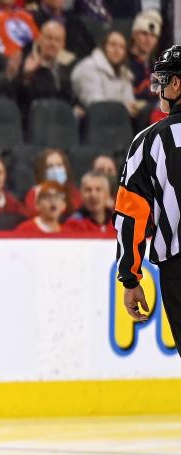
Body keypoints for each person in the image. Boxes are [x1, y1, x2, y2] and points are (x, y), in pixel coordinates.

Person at [115, 45, 181, 351]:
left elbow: (132, 213)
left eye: (163, 80)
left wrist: (130, 277)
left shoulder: (149, 141)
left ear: (177, 84)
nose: (159, 88)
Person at [71, 31, 141, 115]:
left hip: (118, 122)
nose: (117, 50)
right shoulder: (88, 67)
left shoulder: (125, 73)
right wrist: (125, 108)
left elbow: (131, 105)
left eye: (122, 47)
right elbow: (97, 106)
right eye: (112, 45)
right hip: (92, 123)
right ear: (103, 47)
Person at [15, 21, 74, 111]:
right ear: (39, 39)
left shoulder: (67, 68)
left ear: (63, 45)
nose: (52, 44)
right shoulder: (25, 64)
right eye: (49, 38)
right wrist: (26, 75)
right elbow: (20, 98)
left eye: (57, 40)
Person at [24, 148, 81, 216]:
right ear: (42, 170)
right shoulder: (35, 193)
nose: (55, 170)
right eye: (50, 167)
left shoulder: (73, 191)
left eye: (59, 165)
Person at [63, 170, 114, 234]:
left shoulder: (118, 223)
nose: (93, 195)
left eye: (98, 189)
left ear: (107, 194)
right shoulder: (73, 224)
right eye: (88, 190)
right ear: (81, 195)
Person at [127, 10, 161, 105]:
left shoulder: (157, 67)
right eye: (144, 33)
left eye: (153, 36)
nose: (148, 40)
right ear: (134, 34)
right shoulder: (123, 62)